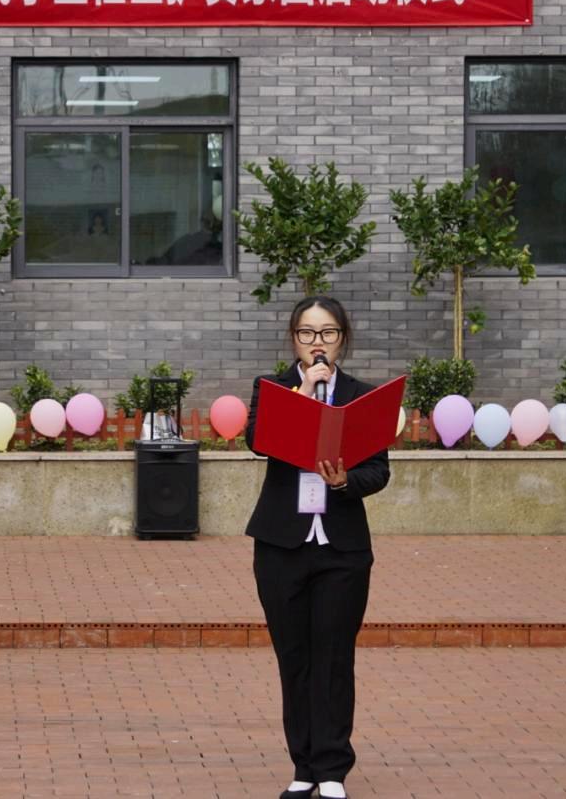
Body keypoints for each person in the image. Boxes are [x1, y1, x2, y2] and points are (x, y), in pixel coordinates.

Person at [244, 295, 391, 799]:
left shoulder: (361, 396)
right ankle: (303, 767)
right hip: (281, 545)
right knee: (295, 658)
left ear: (342, 339)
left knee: (333, 658)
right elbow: (257, 441)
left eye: (327, 333)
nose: (317, 343)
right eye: (307, 334)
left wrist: (346, 481)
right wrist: (303, 393)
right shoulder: (272, 390)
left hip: (341, 550)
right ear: (294, 339)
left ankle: (331, 771)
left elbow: (379, 472)